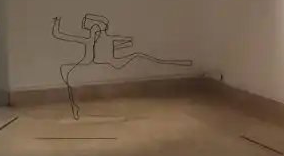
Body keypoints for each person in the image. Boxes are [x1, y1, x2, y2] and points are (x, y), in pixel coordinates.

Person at [52, 13, 192, 119]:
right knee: (66, 72)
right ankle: (76, 107)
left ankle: (169, 62)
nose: (95, 33)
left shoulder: (106, 40)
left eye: (97, 30)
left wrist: (126, 42)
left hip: (111, 64)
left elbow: (125, 42)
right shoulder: (89, 41)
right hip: (97, 64)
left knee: (138, 55)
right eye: (93, 30)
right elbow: (60, 35)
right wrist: (56, 23)